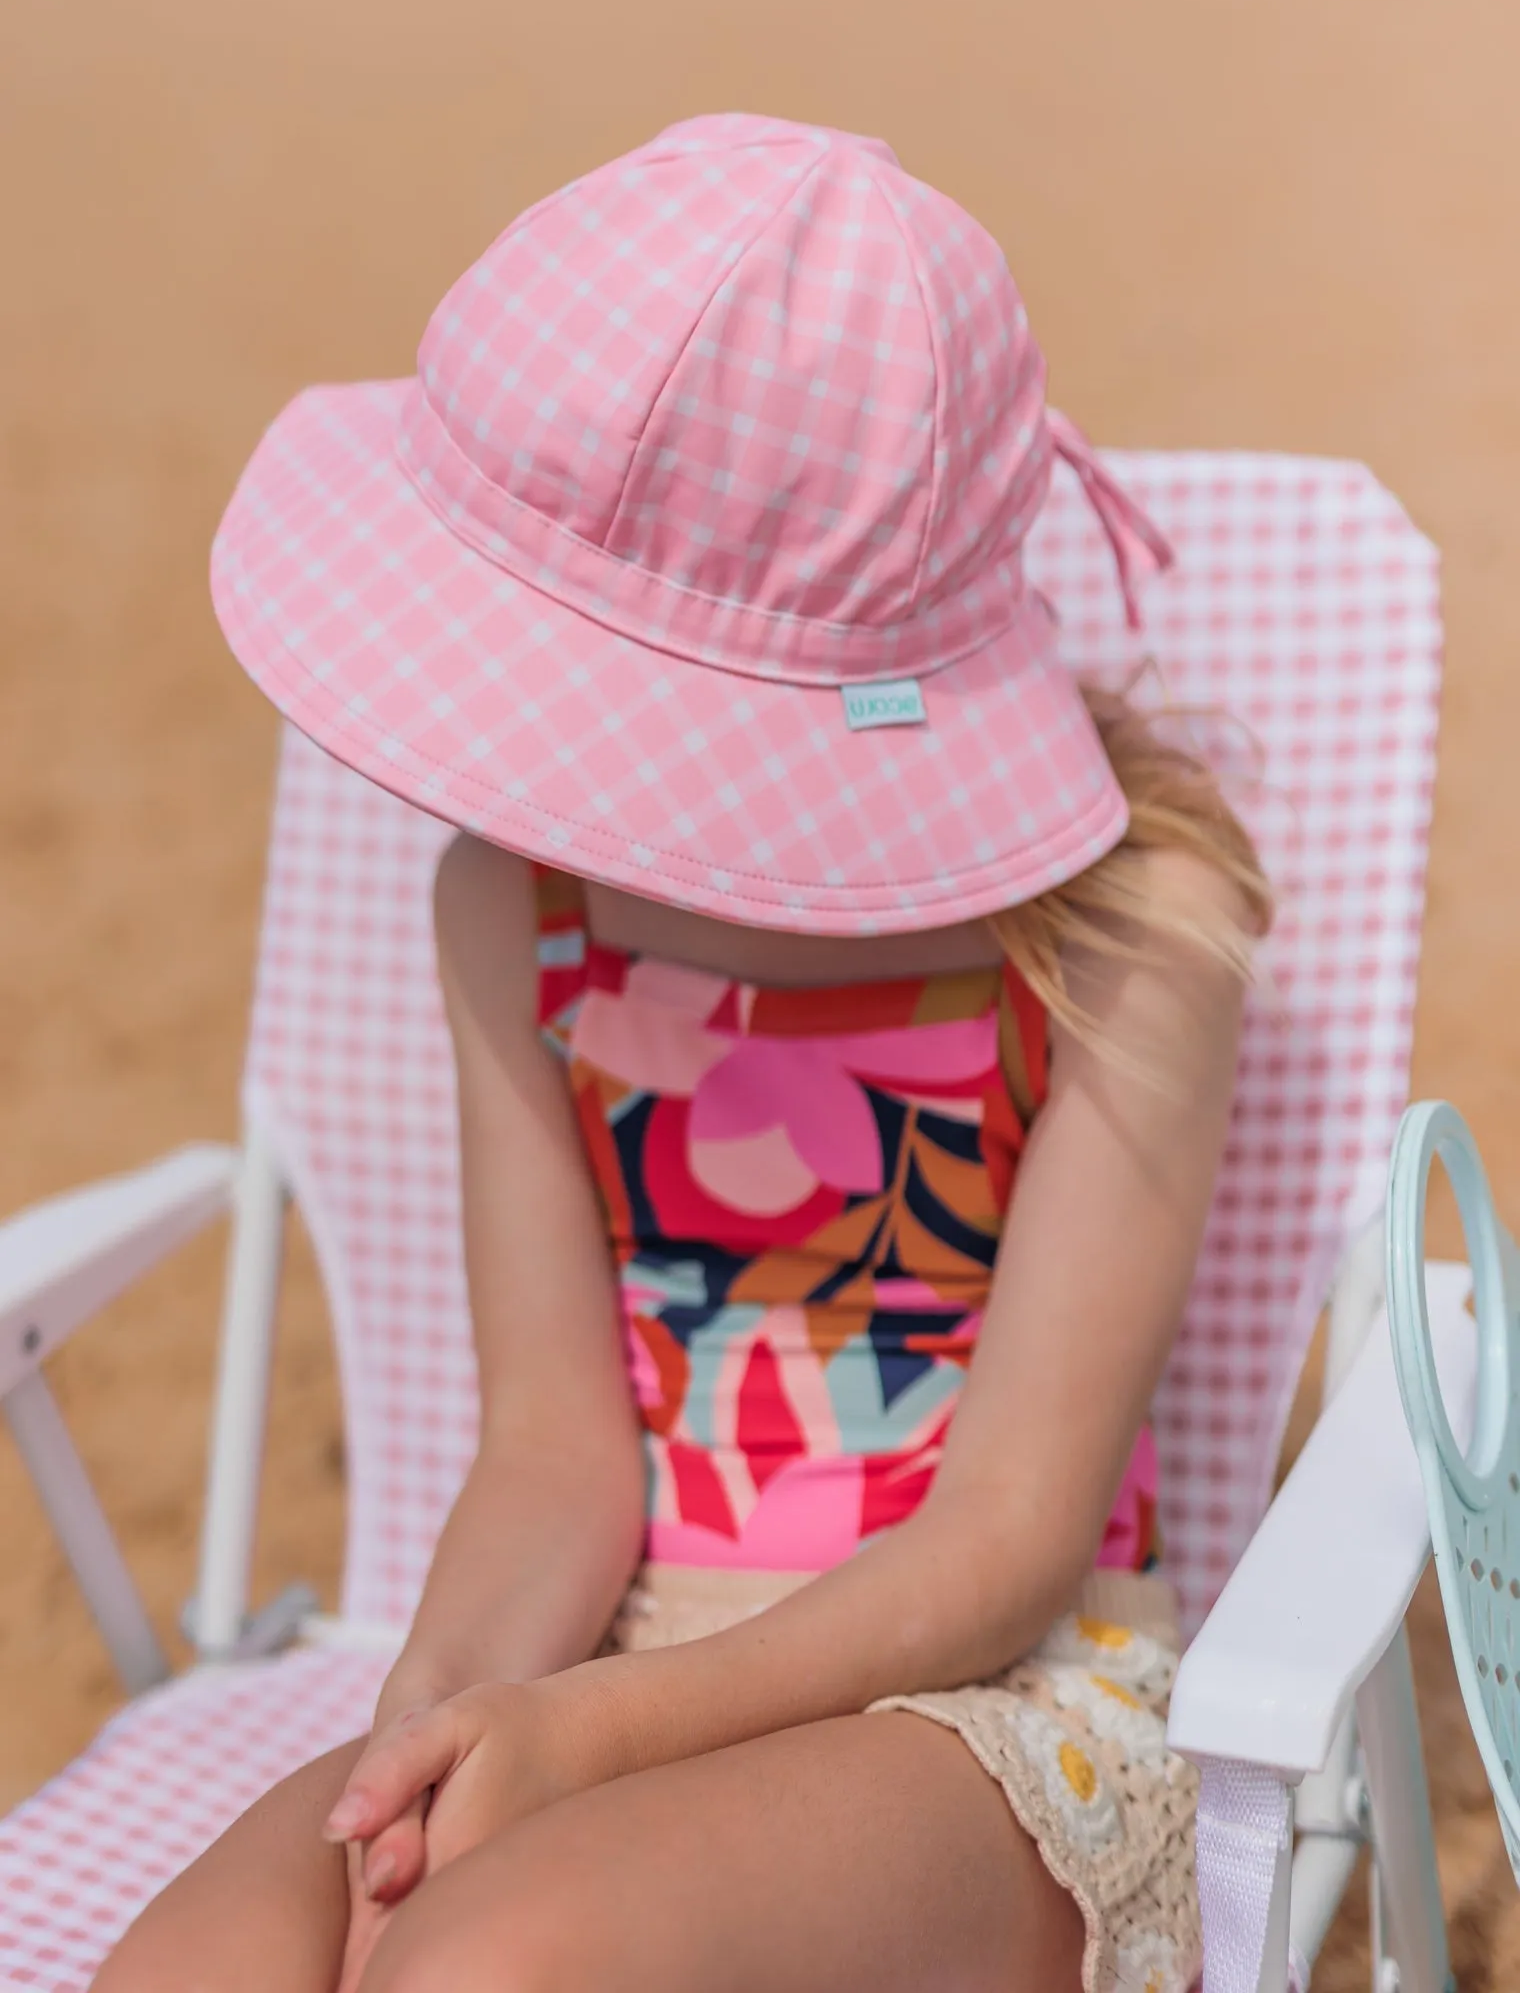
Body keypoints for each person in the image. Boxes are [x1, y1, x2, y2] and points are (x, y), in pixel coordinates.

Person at [94, 113, 1271, 1993]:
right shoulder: (516, 903)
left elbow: (1019, 1529)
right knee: (208, 1971)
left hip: (984, 1707)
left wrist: (598, 1742)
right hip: (606, 1648)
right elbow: (561, 1450)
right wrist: (446, 1727)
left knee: (493, 1968)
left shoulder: (1123, 942)